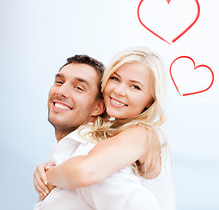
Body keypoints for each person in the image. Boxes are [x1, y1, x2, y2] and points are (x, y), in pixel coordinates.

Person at [34, 48, 175, 209]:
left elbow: (85, 171)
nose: (119, 91)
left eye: (135, 87)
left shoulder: (143, 133)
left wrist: (48, 175)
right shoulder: (109, 136)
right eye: (115, 79)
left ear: (150, 100)